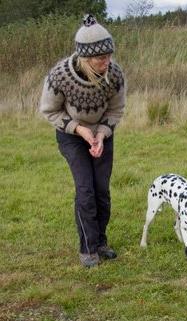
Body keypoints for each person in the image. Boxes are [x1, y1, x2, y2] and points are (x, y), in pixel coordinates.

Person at [39, 14, 126, 267]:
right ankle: (88, 249)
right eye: (101, 58)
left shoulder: (115, 74)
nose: (107, 61)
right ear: (86, 59)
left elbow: (115, 110)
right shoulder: (60, 76)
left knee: (101, 190)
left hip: (101, 134)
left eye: (109, 55)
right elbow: (49, 110)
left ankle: (100, 242)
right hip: (71, 137)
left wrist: (100, 133)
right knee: (85, 190)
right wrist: (79, 129)